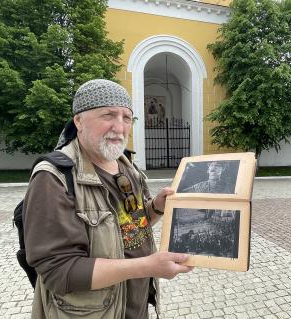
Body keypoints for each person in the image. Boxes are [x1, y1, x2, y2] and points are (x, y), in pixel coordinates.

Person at [23, 79, 193, 319]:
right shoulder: (53, 178)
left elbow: (131, 227)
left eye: (126, 118)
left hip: (137, 306)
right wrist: (147, 266)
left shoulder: (127, 166)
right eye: (108, 115)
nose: (119, 127)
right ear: (79, 121)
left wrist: (156, 207)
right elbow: (58, 271)